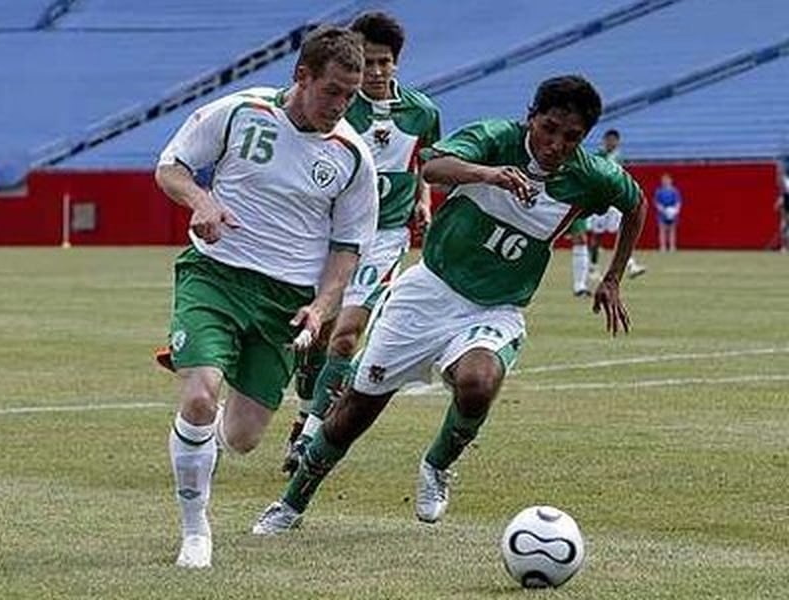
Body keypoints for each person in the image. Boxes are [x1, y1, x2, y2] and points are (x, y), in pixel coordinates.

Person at [252, 74, 648, 534]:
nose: (556, 144)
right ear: (531, 117)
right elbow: (432, 166)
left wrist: (614, 276)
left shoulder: (590, 175)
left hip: (495, 308)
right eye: (549, 128)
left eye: (571, 137)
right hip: (429, 292)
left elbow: (634, 203)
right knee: (354, 412)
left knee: (478, 382)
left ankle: (437, 465)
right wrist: (490, 174)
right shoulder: (496, 137)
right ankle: (291, 504)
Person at [155, 27, 378, 568]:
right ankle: (195, 533)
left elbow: (347, 249)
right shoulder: (238, 112)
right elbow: (171, 168)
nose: (341, 105)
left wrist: (323, 308)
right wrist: (202, 202)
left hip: (286, 300)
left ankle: (213, 374)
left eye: (351, 95)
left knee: (243, 438)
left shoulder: (352, 156)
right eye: (333, 91)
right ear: (301, 76)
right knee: (201, 397)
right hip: (216, 276)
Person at [282, 11, 442, 475]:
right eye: (368, 62)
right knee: (318, 336)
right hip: (329, 236)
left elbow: (424, 162)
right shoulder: (336, 102)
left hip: (385, 236)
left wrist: (422, 199)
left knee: (348, 335)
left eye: (384, 63)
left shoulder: (422, 112)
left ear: (397, 63)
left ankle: (309, 438)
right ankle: (305, 407)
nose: (375, 72)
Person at [588, 129, 646, 278]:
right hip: (600, 201)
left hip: (615, 202)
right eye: (610, 140)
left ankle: (631, 265)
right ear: (605, 141)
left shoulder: (619, 157)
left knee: (622, 231)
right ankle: (593, 267)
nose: (613, 143)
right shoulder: (597, 157)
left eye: (615, 141)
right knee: (597, 235)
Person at [654, 172, 682, 252]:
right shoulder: (659, 191)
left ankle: (672, 247)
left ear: (670, 181)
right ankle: (663, 247)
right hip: (662, 214)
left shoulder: (674, 191)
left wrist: (674, 210)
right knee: (662, 230)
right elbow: (657, 202)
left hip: (672, 213)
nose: (665, 181)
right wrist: (663, 210)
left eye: (667, 180)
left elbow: (678, 202)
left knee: (672, 230)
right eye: (664, 180)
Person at [775, 159, 789, 253]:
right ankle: (784, 247)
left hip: (787, 201)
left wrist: (780, 201)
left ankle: (785, 246)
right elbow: (783, 193)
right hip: (786, 202)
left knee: (785, 226)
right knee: (783, 225)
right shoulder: (782, 180)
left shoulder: (785, 180)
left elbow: (785, 193)